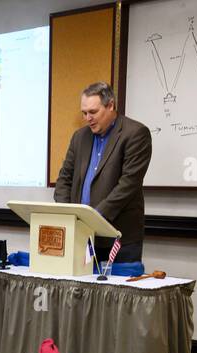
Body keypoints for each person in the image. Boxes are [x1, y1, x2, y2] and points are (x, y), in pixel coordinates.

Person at [53, 82, 152, 275]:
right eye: (84, 113)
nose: (87, 118)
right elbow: (64, 179)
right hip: (82, 236)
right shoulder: (79, 137)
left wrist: (93, 219)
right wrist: (67, 214)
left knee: (116, 300)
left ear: (111, 106)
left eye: (93, 112)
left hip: (119, 237)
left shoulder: (135, 134)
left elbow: (128, 185)